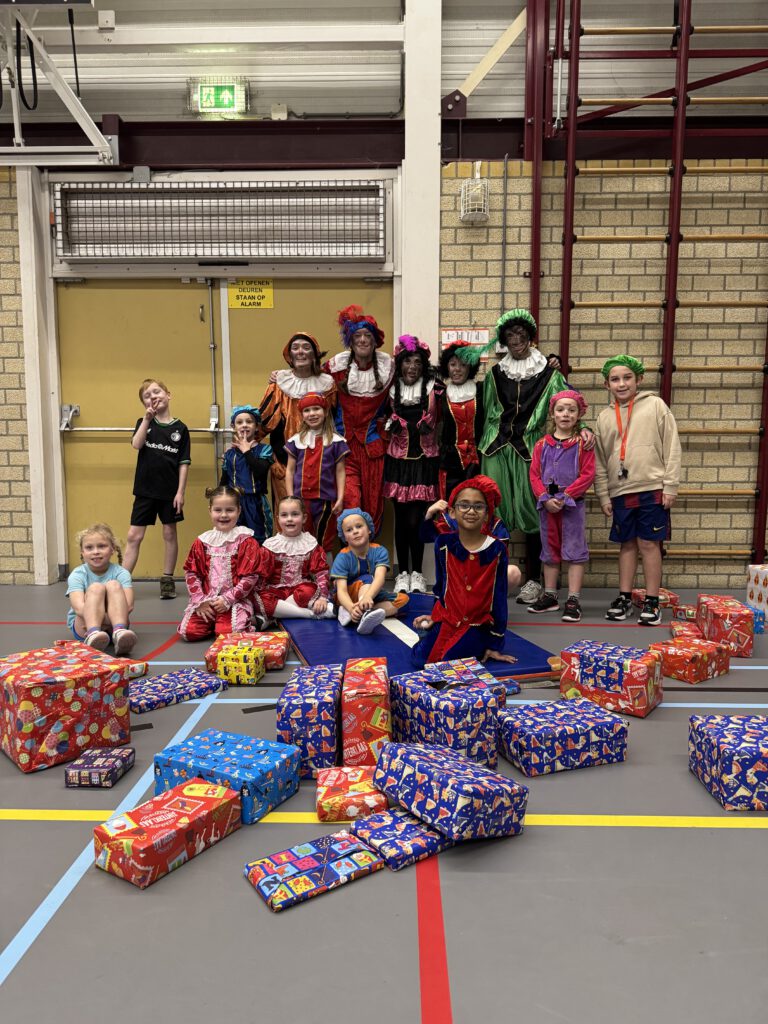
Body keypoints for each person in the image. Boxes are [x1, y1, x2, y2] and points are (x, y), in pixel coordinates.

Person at [457, 309, 591, 606]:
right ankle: (492, 575)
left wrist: (583, 429)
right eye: (510, 336)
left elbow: (568, 405)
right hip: (494, 449)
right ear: (504, 340)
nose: (516, 340)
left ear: (530, 337)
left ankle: (533, 579)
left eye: (520, 334)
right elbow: (483, 414)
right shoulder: (495, 374)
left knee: (535, 512)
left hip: (530, 450)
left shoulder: (550, 374)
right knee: (492, 513)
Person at [594, 354, 682, 626]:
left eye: (627, 378)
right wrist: (603, 493)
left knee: (649, 543)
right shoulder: (604, 417)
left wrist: (670, 485)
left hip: (652, 487)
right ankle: (624, 597)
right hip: (620, 491)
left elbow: (672, 446)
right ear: (607, 384)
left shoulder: (655, 405)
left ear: (639, 379)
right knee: (627, 543)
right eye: (615, 379)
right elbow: (599, 460)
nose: (621, 384)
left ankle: (652, 601)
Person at [411, 476, 517, 668]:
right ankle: (429, 633)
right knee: (419, 660)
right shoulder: (443, 543)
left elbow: (499, 598)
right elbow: (441, 587)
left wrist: (495, 643)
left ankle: (476, 643)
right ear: (452, 512)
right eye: (464, 505)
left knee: (447, 662)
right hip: (448, 619)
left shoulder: (497, 549)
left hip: (476, 624)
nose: (471, 511)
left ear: (487, 514)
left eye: (478, 506)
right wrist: (435, 616)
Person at [325, 305, 394, 534]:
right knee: (350, 502)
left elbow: (412, 382)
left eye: (367, 336)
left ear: (375, 341)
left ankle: (371, 551)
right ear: (350, 341)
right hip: (344, 449)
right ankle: (350, 552)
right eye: (357, 336)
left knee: (373, 504)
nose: (363, 340)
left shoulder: (388, 367)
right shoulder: (335, 367)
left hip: (374, 448)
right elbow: (309, 376)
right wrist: (282, 375)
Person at [528, 390, 596, 623]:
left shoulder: (583, 444)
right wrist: (545, 498)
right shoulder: (541, 445)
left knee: (575, 552)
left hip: (572, 506)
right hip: (547, 506)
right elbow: (534, 475)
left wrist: (566, 496)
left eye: (571, 410)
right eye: (560, 409)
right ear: (552, 413)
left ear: (579, 415)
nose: (565, 414)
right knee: (550, 551)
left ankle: (573, 599)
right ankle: (550, 595)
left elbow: (587, 474)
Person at [383, 335, 441, 594]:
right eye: (408, 361)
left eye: (417, 362)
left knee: (418, 520)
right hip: (398, 461)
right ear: (400, 364)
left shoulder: (434, 388)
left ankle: (417, 573)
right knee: (401, 520)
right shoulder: (390, 389)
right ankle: (402, 574)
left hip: (425, 461)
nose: (412, 367)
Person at [123, 378, 190, 599]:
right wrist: (146, 419)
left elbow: (183, 463)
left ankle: (167, 579)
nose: (153, 396)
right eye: (147, 395)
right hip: (145, 490)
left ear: (168, 395)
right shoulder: (144, 423)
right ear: (144, 403)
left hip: (169, 492)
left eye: (156, 391)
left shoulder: (181, 429)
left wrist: (180, 492)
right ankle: (122, 581)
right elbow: (136, 444)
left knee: (169, 533)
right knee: (134, 535)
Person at [178, 485, 270, 641]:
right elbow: (192, 573)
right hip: (207, 600)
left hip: (235, 600)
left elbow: (250, 577)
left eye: (230, 510)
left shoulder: (246, 541)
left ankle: (254, 620)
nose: (223, 515)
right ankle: (216, 621)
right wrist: (200, 601)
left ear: (239, 511)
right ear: (210, 511)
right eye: (218, 510)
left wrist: (227, 599)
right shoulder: (202, 541)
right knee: (189, 632)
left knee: (228, 634)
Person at [260, 332, 335, 519]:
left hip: (321, 462)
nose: (300, 351)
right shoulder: (279, 384)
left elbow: (335, 421)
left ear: (314, 354)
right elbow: (263, 420)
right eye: (295, 348)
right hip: (285, 462)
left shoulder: (328, 385)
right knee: (288, 516)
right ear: (289, 355)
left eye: (306, 347)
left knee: (318, 516)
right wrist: (244, 445)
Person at [252, 496, 336, 627]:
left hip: (300, 591)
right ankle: (310, 614)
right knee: (260, 598)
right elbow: (262, 577)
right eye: (284, 515)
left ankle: (273, 617)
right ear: (278, 519)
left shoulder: (310, 543)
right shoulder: (270, 545)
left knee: (309, 590)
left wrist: (323, 597)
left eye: (295, 514)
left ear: (304, 518)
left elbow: (321, 572)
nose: (289, 519)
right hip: (276, 591)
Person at [284, 392, 349, 552]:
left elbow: (340, 472)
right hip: (300, 499)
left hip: (326, 500)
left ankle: (324, 566)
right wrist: (290, 497)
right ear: (302, 415)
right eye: (307, 410)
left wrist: (341, 498)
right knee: (301, 537)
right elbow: (290, 471)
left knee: (324, 537)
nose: (312, 414)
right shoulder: (296, 441)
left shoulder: (336, 441)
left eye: (316, 409)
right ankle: (303, 566)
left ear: (325, 412)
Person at [331, 507, 409, 635]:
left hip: (370, 594)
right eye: (349, 530)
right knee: (367, 577)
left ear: (369, 529)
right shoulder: (342, 556)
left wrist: (367, 597)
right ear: (344, 537)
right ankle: (356, 611)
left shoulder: (380, 551)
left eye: (359, 526)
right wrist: (350, 607)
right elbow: (342, 591)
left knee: (403, 601)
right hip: (347, 597)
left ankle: (362, 614)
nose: (355, 531)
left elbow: (379, 578)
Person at [66, 523, 137, 655]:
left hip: (116, 626)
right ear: (82, 552)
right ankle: (93, 635)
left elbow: (128, 606)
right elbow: (78, 608)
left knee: (113, 585)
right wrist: (102, 620)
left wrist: (111, 622)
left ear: (112, 549)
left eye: (102, 546)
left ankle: (119, 633)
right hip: (85, 625)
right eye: (89, 547)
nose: (96, 551)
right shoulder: (77, 574)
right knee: (96, 588)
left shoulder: (121, 573)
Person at [437, 339, 484, 499]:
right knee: (452, 502)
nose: (457, 369)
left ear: (470, 367)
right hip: (450, 463)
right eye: (453, 364)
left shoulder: (482, 390)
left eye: (463, 365)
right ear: (447, 367)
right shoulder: (440, 395)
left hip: (477, 461)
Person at [219, 404, 274, 543]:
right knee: (234, 539)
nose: (244, 425)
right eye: (239, 422)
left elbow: (260, 472)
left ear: (257, 427)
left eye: (249, 422)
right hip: (234, 503)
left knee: (259, 539)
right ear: (233, 427)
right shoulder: (229, 454)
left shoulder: (264, 450)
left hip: (255, 503)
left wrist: (246, 451)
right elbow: (224, 481)